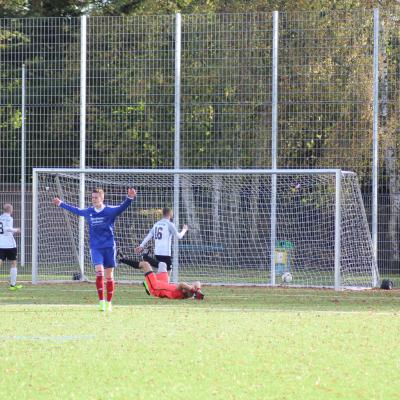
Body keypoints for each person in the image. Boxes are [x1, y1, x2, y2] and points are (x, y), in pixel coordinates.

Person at [53, 187, 137, 311]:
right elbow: (76, 210)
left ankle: (108, 303)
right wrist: (61, 203)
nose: (93, 199)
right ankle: (101, 302)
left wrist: (129, 198)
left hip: (109, 247)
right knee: (99, 272)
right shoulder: (89, 211)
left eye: (96, 197)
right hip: (96, 248)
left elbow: (121, 207)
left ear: (102, 198)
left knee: (109, 276)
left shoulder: (109, 211)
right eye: (92, 197)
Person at [119, 257, 204, 300]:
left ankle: (121, 259)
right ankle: (144, 255)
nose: (191, 285)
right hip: (163, 283)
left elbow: (182, 284)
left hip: (156, 287)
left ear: (187, 292)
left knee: (145, 264)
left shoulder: (181, 292)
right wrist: (198, 290)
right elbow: (197, 282)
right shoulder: (188, 292)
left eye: (190, 288)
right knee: (163, 265)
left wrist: (194, 290)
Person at [134, 207, 188, 271]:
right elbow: (179, 236)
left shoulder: (156, 224)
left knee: (161, 270)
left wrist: (141, 245)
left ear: (163, 214)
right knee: (167, 271)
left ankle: (146, 257)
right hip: (165, 252)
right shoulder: (169, 224)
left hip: (157, 252)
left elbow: (149, 236)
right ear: (170, 214)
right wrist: (184, 230)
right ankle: (146, 258)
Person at [0, 204, 22, 291]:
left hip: (1, 243)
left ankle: (13, 285)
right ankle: (12, 285)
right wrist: (16, 230)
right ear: (10, 210)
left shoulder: (0, 217)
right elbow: (7, 228)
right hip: (9, 244)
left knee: (0, 261)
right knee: (13, 263)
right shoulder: (9, 218)